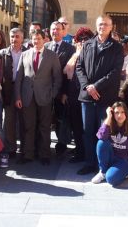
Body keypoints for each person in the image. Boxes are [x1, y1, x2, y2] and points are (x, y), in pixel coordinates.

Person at [76, 14, 124, 175]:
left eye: (105, 25)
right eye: (100, 24)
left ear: (111, 27)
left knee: (103, 132)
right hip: (87, 98)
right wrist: (87, 87)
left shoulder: (117, 47)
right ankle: (89, 163)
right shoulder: (88, 44)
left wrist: (96, 86)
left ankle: (102, 165)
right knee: (87, 131)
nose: (102, 27)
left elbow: (115, 72)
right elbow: (79, 67)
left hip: (106, 97)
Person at [14, 29, 62, 165]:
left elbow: (57, 78)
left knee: (44, 126)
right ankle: (28, 154)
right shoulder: (25, 55)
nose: (36, 41)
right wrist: (18, 96)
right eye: (34, 39)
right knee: (28, 126)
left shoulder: (52, 56)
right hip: (27, 96)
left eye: (39, 39)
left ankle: (44, 155)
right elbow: (19, 78)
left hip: (45, 97)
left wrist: (52, 94)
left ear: (44, 39)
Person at [62, 27, 95, 163]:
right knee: (76, 125)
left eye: (86, 39)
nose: (83, 42)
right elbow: (66, 71)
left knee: (87, 127)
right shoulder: (76, 54)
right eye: (80, 40)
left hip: (86, 94)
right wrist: (77, 53)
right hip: (74, 93)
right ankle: (79, 152)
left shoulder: (93, 54)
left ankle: (88, 154)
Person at [91, 102, 128, 187]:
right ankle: (103, 172)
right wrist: (109, 117)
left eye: (122, 112)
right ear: (113, 114)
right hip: (112, 157)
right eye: (116, 113)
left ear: (126, 113)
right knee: (101, 142)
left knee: (111, 179)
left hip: (124, 160)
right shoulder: (108, 123)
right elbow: (101, 137)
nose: (120, 115)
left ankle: (123, 172)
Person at [46, 20, 76, 157]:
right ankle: (44, 144)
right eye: (53, 29)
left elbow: (69, 73)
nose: (55, 32)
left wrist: (65, 92)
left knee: (60, 119)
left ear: (63, 32)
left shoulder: (70, 49)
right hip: (45, 90)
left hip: (61, 90)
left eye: (58, 29)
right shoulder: (45, 46)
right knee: (45, 118)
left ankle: (61, 144)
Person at [0, 28, 26, 167]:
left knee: (23, 120)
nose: (14, 39)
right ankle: (11, 148)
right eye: (12, 36)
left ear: (22, 38)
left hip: (23, 89)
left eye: (17, 37)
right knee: (8, 120)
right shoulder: (2, 53)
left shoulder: (27, 52)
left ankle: (25, 148)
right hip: (8, 89)